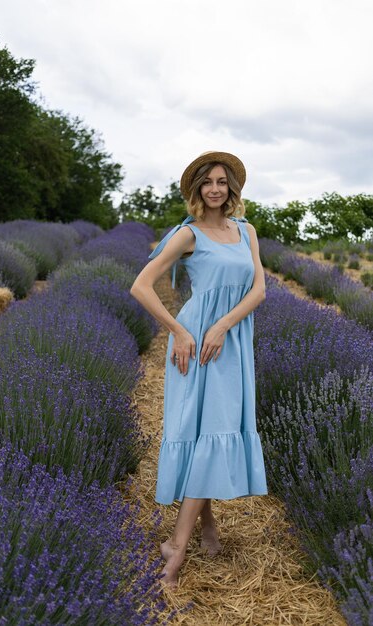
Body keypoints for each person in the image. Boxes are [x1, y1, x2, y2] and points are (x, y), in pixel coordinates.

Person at [130, 150, 268, 587]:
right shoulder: (188, 235)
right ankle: (177, 548)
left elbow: (260, 289)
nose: (215, 188)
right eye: (207, 182)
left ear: (232, 189)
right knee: (201, 431)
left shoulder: (246, 232)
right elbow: (141, 285)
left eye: (222, 182)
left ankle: (206, 528)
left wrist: (225, 325)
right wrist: (180, 331)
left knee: (211, 430)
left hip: (230, 340)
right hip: (194, 344)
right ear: (196, 190)